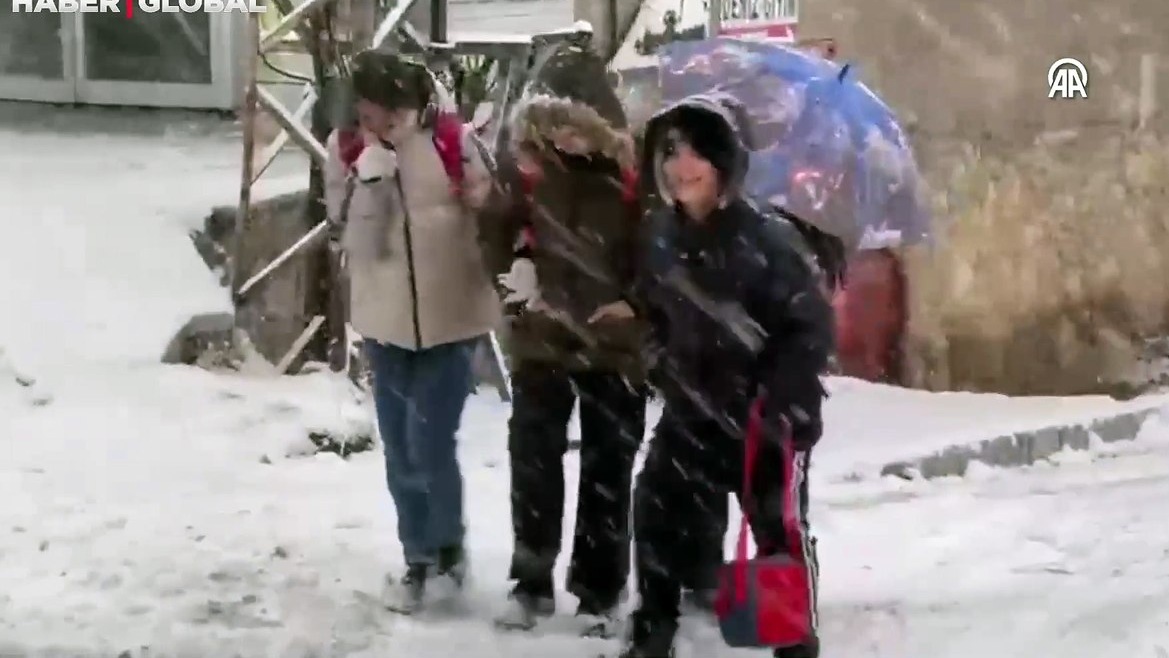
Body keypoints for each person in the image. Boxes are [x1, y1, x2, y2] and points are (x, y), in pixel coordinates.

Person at [620, 92, 831, 658]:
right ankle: (653, 631)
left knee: (776, 531)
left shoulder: (767, 240)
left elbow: (808, 327)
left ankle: (792, 640)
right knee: (655, 509)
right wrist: (657, 357)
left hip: (765, 416)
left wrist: (780, 400)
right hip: (693, 408)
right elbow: (653, 309)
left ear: (723, 165)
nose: (679, 166)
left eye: (694, 154)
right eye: (670, 152)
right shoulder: (661, 235)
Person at [323, 49, 502, 613]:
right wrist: (370, 184)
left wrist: (485, 200)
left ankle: (448, 551)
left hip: (451, 318)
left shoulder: (451, 141)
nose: (378, 122)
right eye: (368, 111)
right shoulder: (347, 149)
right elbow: (353, 240)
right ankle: (417, 558)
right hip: (385, 323)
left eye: (388, 111)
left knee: (429, 443)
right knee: (399, 449)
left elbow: (495, 211)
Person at [482, 44, 648, 634]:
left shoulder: (635, 180)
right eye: (551, 126)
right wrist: (514, 276)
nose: (563, 139)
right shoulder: (527, 172)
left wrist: (636, 302)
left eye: (573, 127)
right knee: (533, 459)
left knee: (609, 466)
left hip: (614, 347)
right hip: (542, 339)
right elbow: (496, 232)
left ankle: (600, 591)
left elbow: (659, 255)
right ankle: (530, 580)